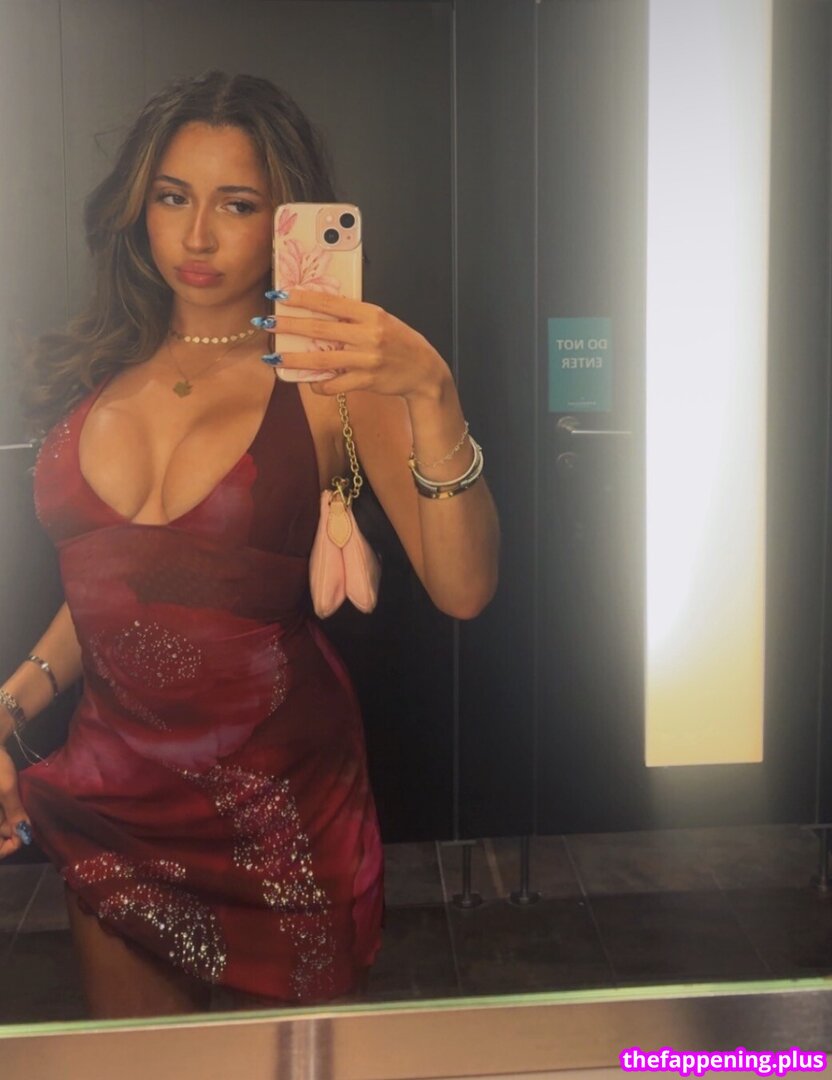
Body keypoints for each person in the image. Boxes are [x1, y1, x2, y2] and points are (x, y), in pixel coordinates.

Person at [0, 71, 500, 1020]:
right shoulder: (92, 372)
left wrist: (432, 392)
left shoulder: (327, 378)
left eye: (235, 204)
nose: (197, 237)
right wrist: (10, 703)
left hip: (282, 825)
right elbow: (119, 586)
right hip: (113, 806)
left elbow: (465, 588)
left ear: (283, 218)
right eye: (172, 198)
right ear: (138, 208)